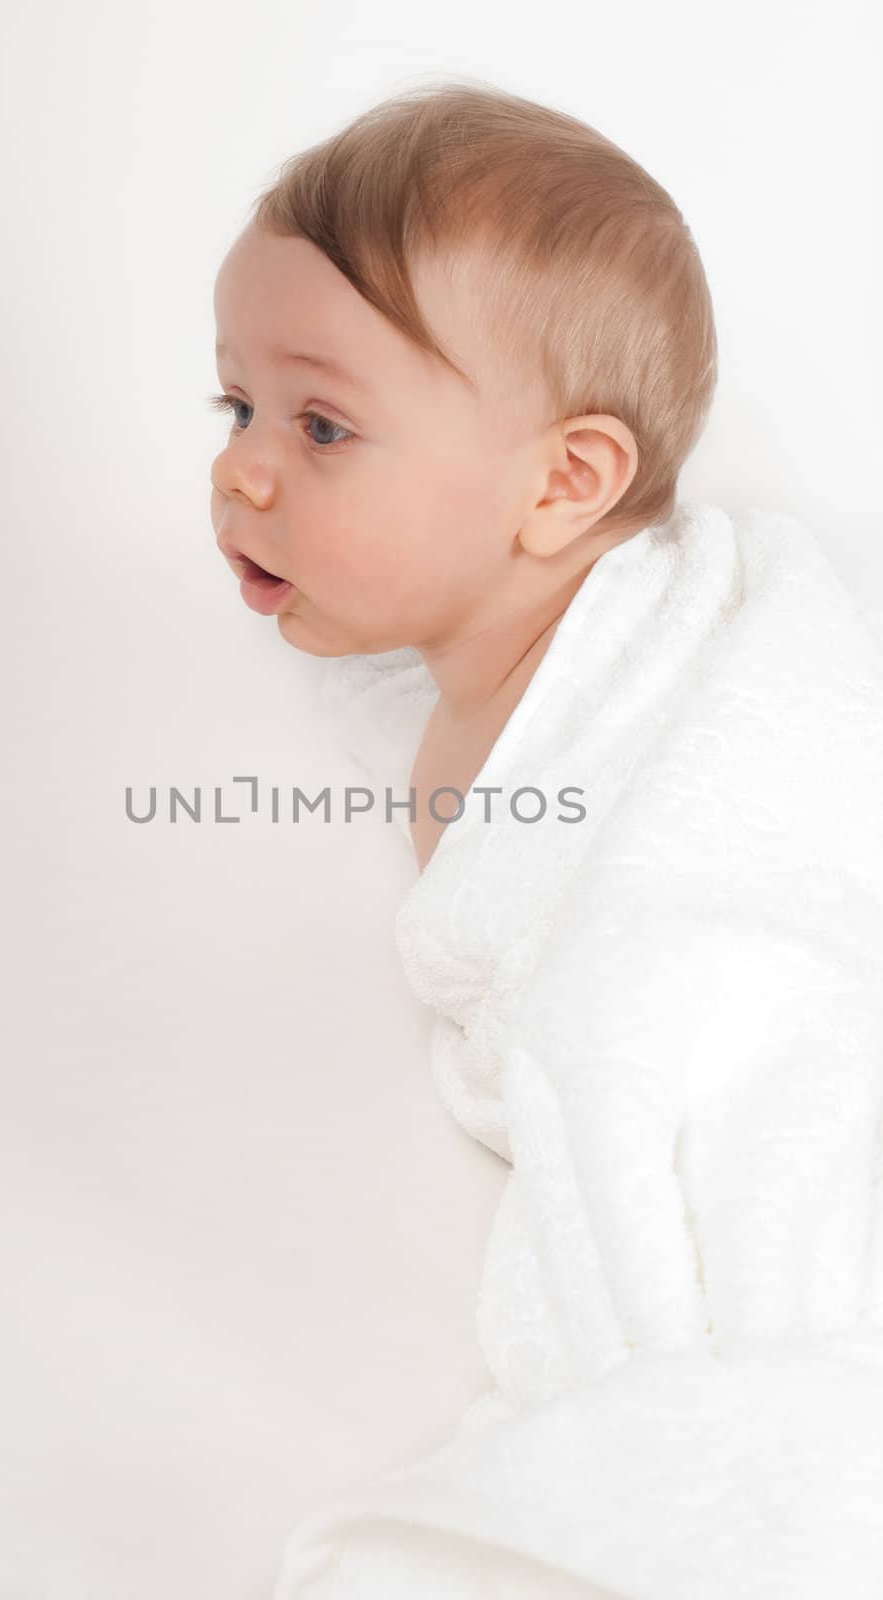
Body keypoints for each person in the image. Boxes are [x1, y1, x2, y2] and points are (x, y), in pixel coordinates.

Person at [209, 76, 883, 1598]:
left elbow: (721, 957)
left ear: (565, 486)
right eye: (235, 403)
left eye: (323, 425)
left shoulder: (700, 684)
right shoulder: (470, 668)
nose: (243, 469)